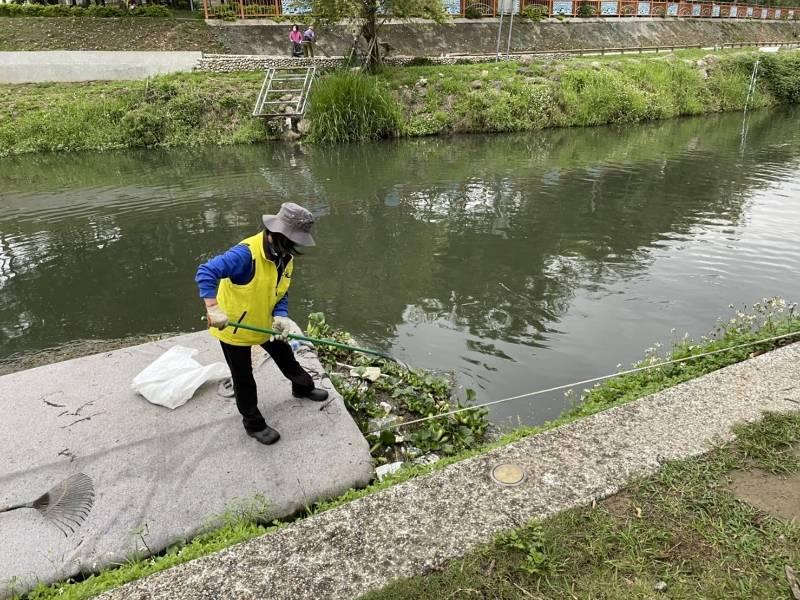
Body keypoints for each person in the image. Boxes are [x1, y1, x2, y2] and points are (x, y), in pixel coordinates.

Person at [195, 202, 328, 446]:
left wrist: (281, 315)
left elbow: (281, 290)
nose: (293, 250)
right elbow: (206, 271)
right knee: (243, 377)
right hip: (234, 328)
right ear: (277, 234)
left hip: (266, 323)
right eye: (291, 242)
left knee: (286, 356)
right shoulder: (245, 255)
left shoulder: (284, 256)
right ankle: (253, 424)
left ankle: (302, 387)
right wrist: (213, 308)